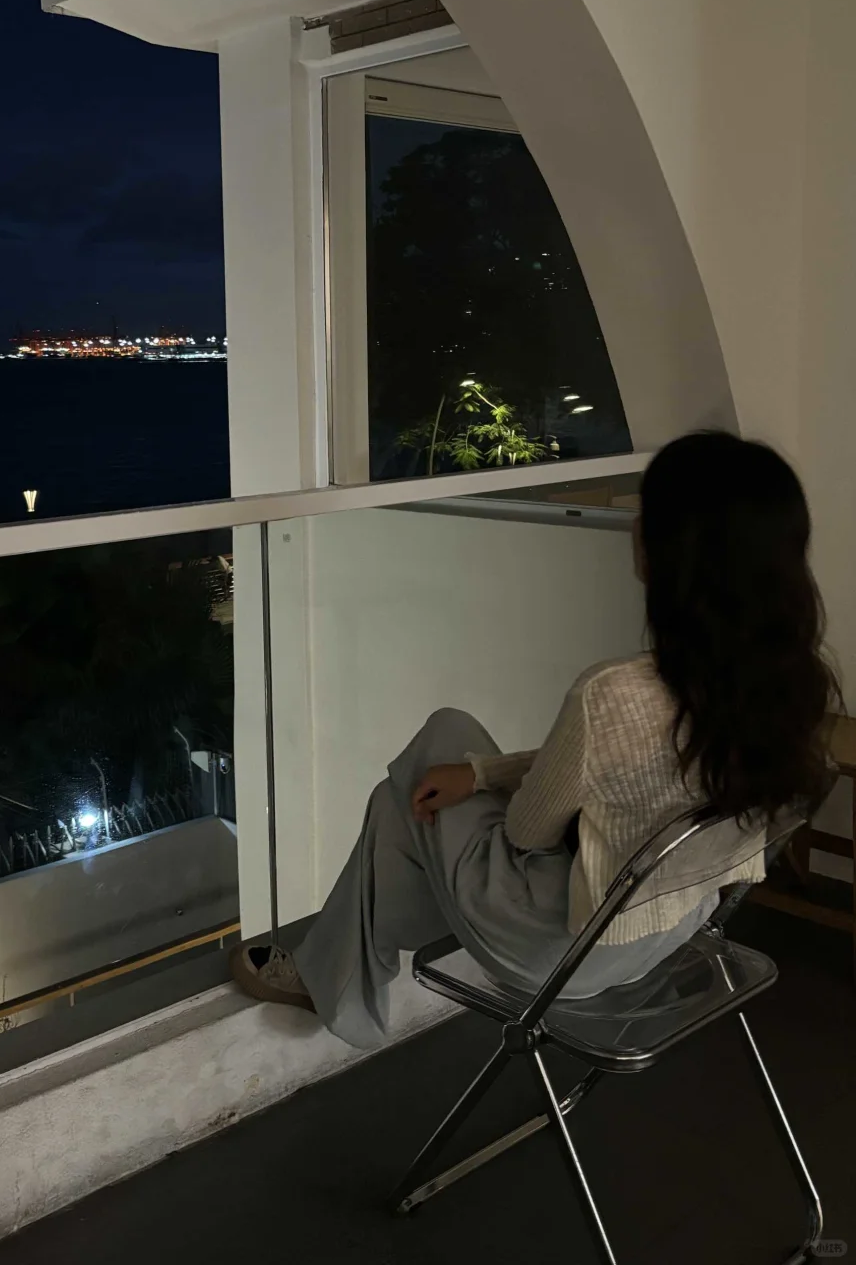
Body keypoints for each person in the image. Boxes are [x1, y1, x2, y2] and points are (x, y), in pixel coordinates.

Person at [231, 432, 839, 1049]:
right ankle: (329, 971)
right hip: (669, 932)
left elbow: (526, 834)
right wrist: (484, 775)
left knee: (432, 749)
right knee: (402, 808)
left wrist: (488, 780)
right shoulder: (796, 691)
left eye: (646, 512)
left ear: (670, 553)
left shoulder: (613, 696)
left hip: (558, 953)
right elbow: (621, 768)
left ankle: (334, 975)